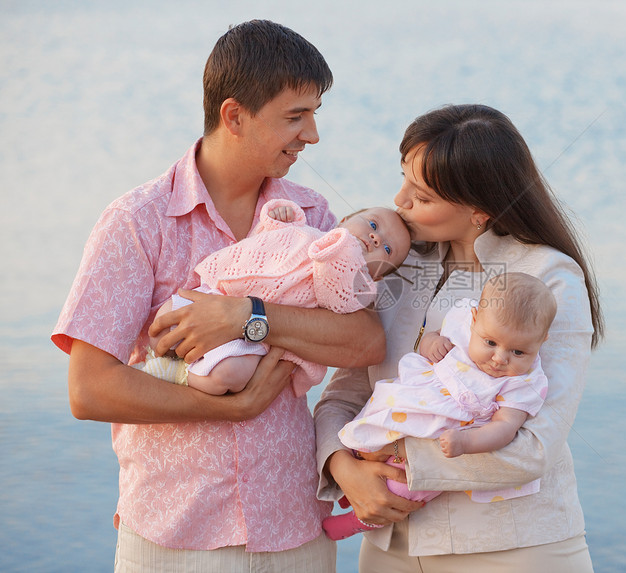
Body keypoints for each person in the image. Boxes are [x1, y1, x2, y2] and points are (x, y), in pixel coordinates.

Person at [51, 20, 383, 572]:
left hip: (294, 532)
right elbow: (90, 390)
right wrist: (231, 407)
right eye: (295, 117)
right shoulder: (137, 222)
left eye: (314, 115)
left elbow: (365, 341)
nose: (313, 135)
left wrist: (247, 317)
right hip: (173, 533)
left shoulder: (314, 218)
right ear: (234, 116)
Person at [314, 103, 604, 572]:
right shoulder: (396, 263)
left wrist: (395, 454)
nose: (399, 200)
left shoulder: (548, 277)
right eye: (404, 178)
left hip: (511, 550)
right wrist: (343, 468)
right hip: (392, 549)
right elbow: (345, 393)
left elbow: (533, 447)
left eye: (422, 196)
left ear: (479, 212)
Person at [323, 272, 557, 541]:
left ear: (542, 341)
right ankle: (353, 490)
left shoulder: (524, 383)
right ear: (474, 318)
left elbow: (505, 427)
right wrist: (430, 343)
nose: (499, 358)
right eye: (490, 343)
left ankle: (360, 520)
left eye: (518, 352)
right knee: (366, 432)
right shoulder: (461, 323)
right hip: (410, 402)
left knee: (406, 487)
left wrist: (465, 443)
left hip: (444, 432)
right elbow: (430, 338)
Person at [136, 199, 410, 396]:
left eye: (386, 248)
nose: (375, 238)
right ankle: (156, 358)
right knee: (166, 322)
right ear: (343, 222)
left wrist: (343, 257)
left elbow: (337, 302)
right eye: (372, 224)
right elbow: (260, 245)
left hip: (252, 341)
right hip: (219, 294)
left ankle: (178, 376)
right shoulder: (307, 231)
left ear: (378, 276)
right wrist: (279, 221)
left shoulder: (354, 289)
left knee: (230, 376)